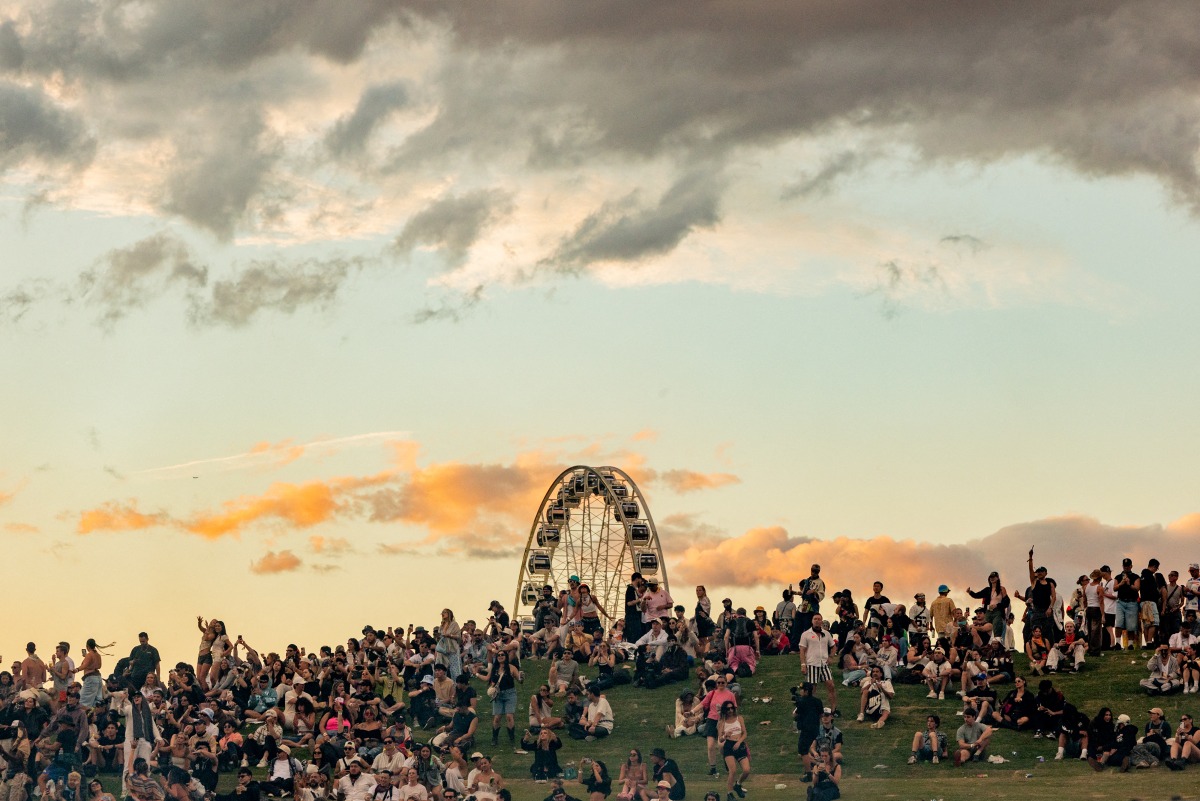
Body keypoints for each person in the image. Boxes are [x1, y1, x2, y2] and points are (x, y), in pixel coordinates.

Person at [797, 614, 837, 716]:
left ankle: (833, 710)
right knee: (812, 690)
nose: (817, 621)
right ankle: (809, 710)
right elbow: (802, 650)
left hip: (824, 664)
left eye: (819, 619)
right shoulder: (806, 634)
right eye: (815, 619)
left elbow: (833, 646)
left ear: (821, 621)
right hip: (811, 664)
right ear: (812, 621)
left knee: (831, 685)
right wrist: (803, 664)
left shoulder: (826, 634)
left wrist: (831, 657)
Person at [481, 650, 521, 747]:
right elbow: (489, 680)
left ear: (506, 656)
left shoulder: (511, 668)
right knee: (497, 718)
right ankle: (494, 738)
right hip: (498, 695)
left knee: (509, 716)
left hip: (510, 694)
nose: (500, 656)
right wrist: (477, 674)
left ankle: (512, 739)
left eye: (502, 655)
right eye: (498, 655)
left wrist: (521, 678)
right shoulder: (495, 668)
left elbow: (519, 680)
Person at [701, 676, 736, 777]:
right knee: (710, 746)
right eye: (719, 683)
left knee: (722, 746)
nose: (720, 684)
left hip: (724, 720)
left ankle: (727, 763)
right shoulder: (712, 693)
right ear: (716, 684)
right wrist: (692, 712)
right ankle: (713, 768)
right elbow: (703, 704)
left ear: (726, 683)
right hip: (712, 719)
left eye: (722, 683)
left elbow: (734, 709)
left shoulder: (730, 695)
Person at [717, 701, 749, 801]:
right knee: (733, 770)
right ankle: (729, 793)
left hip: (739, 745)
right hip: (729, 746)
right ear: (724, 710)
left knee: (746, 770)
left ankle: (738, 784)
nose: (730, 710)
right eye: (728, 709)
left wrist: (739, 742)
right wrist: (725, 735)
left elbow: (744, 733)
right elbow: (720, 739)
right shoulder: (722, 722)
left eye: (732, 708)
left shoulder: (739, 718)